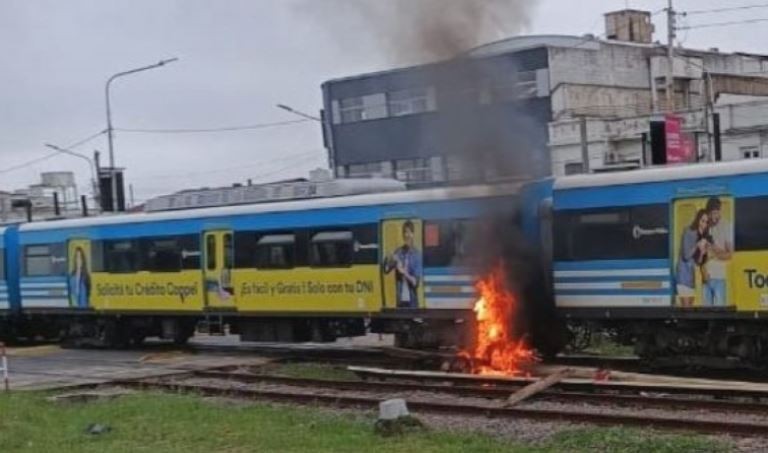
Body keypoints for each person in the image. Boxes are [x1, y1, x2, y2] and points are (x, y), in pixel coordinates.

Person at [383, 220, 422, 308]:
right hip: (400, 301)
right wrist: (388, 258)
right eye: (404, 232)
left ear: (413, 234)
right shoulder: (398, 252)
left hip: (412, 303)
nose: (406, 235)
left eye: (409, 232)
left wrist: (403, 272)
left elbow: (415, 282)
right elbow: (386, 270)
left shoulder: (417, 254)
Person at [676, 210, 710, 308]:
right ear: (698, 220)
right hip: (683, 275)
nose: (704, 224)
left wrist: (702, 253)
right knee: (686, 309)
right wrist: (697, 245)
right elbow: (686, 255)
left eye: (706, 222)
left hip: (691, 278)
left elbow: (697, 263)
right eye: (702, 221)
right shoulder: (689, 231)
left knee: (689, 309)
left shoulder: (701, 236)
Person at [703, 197, 733, 307]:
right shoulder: (705, 226)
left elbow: (730, 254)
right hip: (706, 276)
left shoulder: (726, 226)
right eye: (711, 214)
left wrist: (714, 252)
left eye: (716, 213)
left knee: (720, 308)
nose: (714, 216)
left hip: (720, 275)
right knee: (706, 310)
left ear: (720, 211)